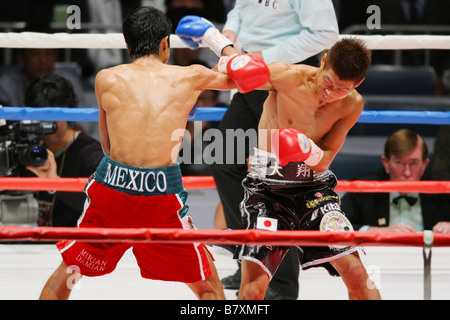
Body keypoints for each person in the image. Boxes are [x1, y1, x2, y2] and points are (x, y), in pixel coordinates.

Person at [39, 6, 269, 300]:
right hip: (161, 195)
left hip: (113, 189)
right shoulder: (190, 77)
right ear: (165, 44)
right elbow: (254, 75)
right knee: (207, 286)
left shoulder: (106, 78)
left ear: (127, 45)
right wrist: (214, 39)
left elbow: (107, 146)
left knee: (69, 273)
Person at [178, 18, 380, 299]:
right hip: (267, 191)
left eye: (342, 89)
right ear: (323, 61)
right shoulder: (287, 77)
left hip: (314, 189)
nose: (330, 93)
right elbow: (240, 73)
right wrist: (214, 48)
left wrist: (306, 149)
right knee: (253, 289)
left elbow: (326, 159)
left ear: (359, 84)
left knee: (358, 274)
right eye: (329, 81)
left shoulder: (352, 105)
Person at [207, 0, 340, 299]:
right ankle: (250, 262)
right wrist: (230, 33)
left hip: (288, 83)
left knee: (281, 178)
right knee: (224, 159)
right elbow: (242, 9)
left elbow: (325, 32)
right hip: (251, 79)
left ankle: (280, 285)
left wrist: (264, 57)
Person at [23, 74, 104, 227]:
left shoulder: (91, 154)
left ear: (69, 112)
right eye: (42, 117)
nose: (50, 124)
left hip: (73, 243)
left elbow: (101, 207)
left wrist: (56, 184)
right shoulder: (26, 151)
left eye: (55, 116)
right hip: (27, 244)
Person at [341, 129, 450, 233]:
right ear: (386, 163)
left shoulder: (444, 188)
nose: (407, 173)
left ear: (424, 165)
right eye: (399, 163)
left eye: (414, 163)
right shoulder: (363, 188)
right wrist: (379, 231)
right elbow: (338, 225)